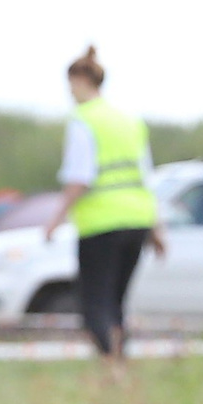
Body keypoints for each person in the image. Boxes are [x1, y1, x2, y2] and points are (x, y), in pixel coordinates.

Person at [42, 46, 164, 358]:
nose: (69, 91)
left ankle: (112, 365)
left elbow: (79, 178)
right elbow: (146, 178)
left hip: (101, 223)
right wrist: (157, 228)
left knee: (94, 301)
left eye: (70, 84)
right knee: (117, 301)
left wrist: (54, 221)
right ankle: (121, 360)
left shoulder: (83, 120)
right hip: (137, 219)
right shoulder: (130, 121)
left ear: (80, 80)